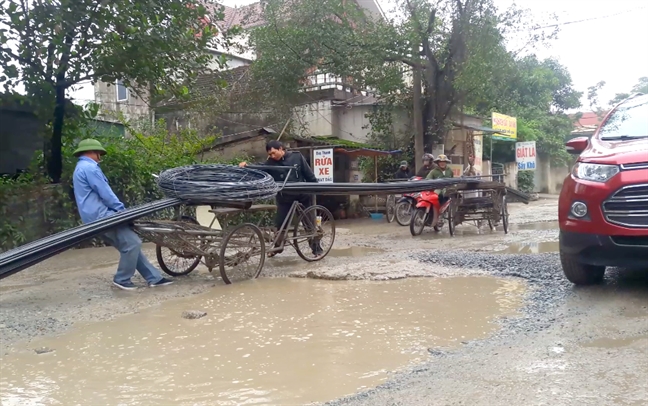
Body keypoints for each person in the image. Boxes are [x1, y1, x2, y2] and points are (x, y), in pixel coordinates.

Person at [72, 138, 173, 291]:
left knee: (129, 245)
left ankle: (154, 278)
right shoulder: (90, 168)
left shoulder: (80, 167)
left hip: (92, 216)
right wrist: (122, 212)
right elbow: (105, 193)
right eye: (99, 153)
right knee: (133, 243)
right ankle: (122, 279)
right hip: (102, 215)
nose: (101, 157)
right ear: (94, 152)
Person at [239, 140, 322, 257]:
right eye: (270, 154)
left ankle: (317, 250)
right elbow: (259, 169)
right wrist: (246, 166)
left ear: (281, 149)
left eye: (274, 153)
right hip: (285, 198)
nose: (272, 156)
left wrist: (316, 187)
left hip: (302, 196)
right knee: (280, 225)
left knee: (309, 224)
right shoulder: (270, 163)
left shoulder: (296, 157)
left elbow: (309, 174)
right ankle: (278, 247)